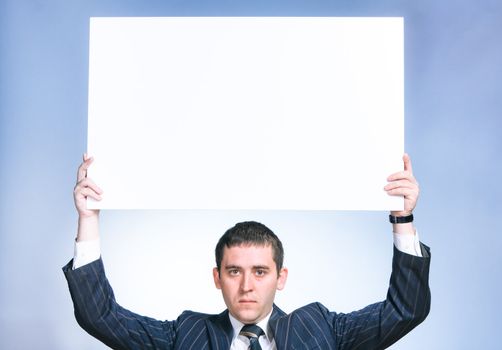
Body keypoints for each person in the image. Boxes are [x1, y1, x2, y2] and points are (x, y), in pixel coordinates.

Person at [63, 153, 430, 350]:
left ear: (280, 277)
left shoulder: (320, 329)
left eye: (260, 271)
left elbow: (405, 309)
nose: (247, 286)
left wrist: (403, 218)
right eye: (234, 271)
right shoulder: (187, 334)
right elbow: (100, 316)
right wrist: (88, 219)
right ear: (217, 278)